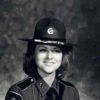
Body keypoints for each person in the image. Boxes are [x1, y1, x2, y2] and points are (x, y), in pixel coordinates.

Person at [5, 17, 80, 100]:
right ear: (33, 53)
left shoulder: (71, 92)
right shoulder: (18, 93)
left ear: (63, 55)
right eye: (43, 50)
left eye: (56, 51)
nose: (49, 56)